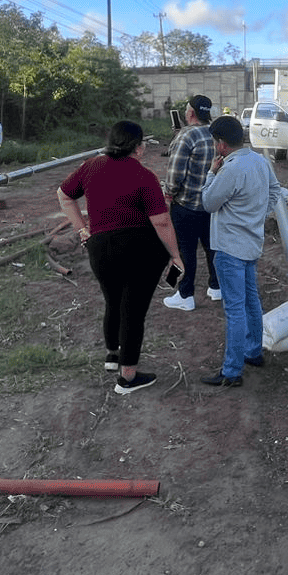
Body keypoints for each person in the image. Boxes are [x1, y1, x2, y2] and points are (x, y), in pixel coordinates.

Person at [57, 120, 184, 396]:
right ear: (138, 147)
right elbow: (162, 223)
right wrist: (176, 256)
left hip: (100, 249)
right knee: (133, 310)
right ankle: (128, 377)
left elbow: (64, 195)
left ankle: (112, 355)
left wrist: (82, 229)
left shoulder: (90, 166)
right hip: (139, 250)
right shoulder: (144, 176)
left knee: (113, 300)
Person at [199, 115, 283, 388]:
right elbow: (275, 191)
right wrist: (258, 216)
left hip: (229, 246)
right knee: (251, 301)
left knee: (234, 309)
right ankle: (253, 351)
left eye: (215, 142)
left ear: (221, 144)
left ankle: (232, 370)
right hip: (250, 243)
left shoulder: (230, 169)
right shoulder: (260, 161)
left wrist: (211, 172)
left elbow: (209, 202)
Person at [162, 94, 221, 312]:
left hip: (186, 205)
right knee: (211, 247)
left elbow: (175, 174)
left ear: (191, 113)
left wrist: (168, 194)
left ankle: (185, 295)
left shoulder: (186, 136)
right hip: (211, 204)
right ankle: (216, 287)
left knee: (185, 251)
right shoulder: (216, 134)